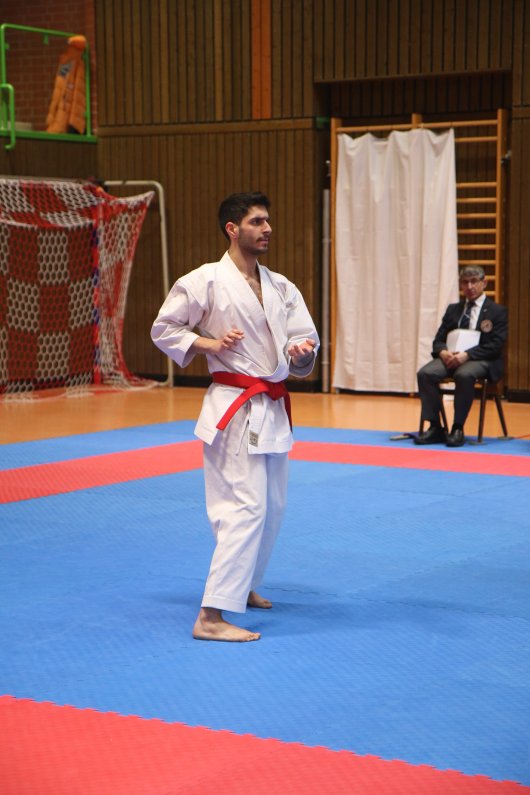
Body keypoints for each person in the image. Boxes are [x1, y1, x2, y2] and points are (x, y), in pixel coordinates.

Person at [151, 192, 319, 642]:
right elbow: (164, 329)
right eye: (257, 221)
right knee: (244, 507)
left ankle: (242, 586)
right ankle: (210, 616)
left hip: (273, 406)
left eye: (268, 221)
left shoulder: (281, 286)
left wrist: (302, 354)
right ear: (232, 228)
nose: (267, 229)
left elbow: (303, 345)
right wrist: (210, 344)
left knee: (273, 507)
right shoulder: (204, 280)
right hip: (234, 406)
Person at [415, 266, 507, 447]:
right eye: (465, 282)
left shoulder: (497, 312)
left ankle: (457, 428)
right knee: (425, 374)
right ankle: (435, 427)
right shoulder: (453, 310)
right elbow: (438, 340)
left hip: (481, 359)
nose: (469, 286)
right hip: (451, 358)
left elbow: (495, 346)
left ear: (484, 283)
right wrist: (443, 352)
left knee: (464, 374)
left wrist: (467, 355)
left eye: (474, 282)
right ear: (460, 285)